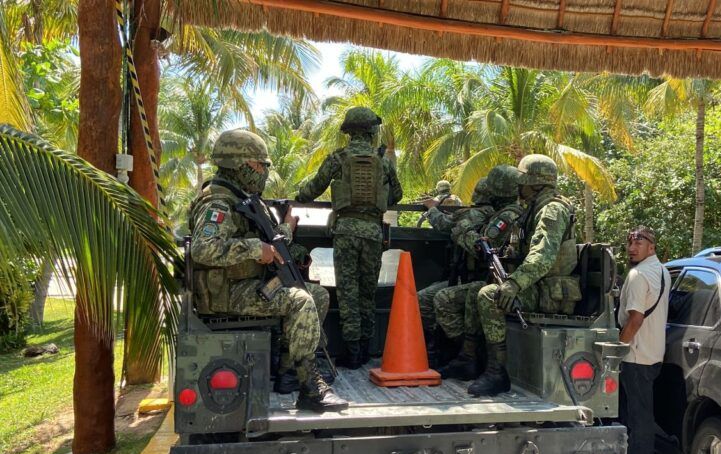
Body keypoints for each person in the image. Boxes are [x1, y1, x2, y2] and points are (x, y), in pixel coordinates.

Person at [189, 129, 347, 412]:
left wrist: (287, 227)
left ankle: (288, 373)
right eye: (260, 165)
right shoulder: (218, 202)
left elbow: (271, 242)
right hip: (226, 293)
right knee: (299, 301)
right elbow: (203, 249)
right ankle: (311, 388)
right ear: (240, 164)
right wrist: (252, 249)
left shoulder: (245, 198)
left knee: (316, 295)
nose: (264, 171)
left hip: (250, 285)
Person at [295, 107, 403, 369]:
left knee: (348, 292)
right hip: (374, 233)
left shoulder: (338, 158)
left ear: (349, 132)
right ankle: (366, 348)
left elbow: (313, 189)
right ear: (370, 132)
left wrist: (299, 197)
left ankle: (352, 351)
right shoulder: (384, 162)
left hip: (346, 233)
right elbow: (397, 195)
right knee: (368, 291)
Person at [473, 154, 580, 396]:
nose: (519, 186)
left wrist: (514, 284)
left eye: (523, 181)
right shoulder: (532, 209)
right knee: (474, 292)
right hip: (537, 286)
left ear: (535, 182)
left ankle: (497, 374)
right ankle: (471, 360)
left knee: (489, 296)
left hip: (548, 293)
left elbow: (543, 257)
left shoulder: (552, 210)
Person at [436, 165, 525, 380]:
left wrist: (462, 230)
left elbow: (483, 247)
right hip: (499, 280)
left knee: (444, 298)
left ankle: (474, 357)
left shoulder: (509, 214)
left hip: (505, 283)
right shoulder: (509, 211)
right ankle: (468, 358)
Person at [417, 177, 496, 366]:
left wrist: (432, 208)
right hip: (478, 278)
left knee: (423, 299)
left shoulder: (473, 214)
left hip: (469, 279)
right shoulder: (498, 214)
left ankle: (457, 350)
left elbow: (444, 224)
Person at [616, 226, 670, 454]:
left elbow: (635, 319)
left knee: (639, 421)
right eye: (630, 241)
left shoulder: (638, 275)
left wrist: (618, 348)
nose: (632, 246)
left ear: (652, 246)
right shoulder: (662, 271)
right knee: (638, 417)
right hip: (654, 354)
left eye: (640, 241)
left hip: (635, 355)